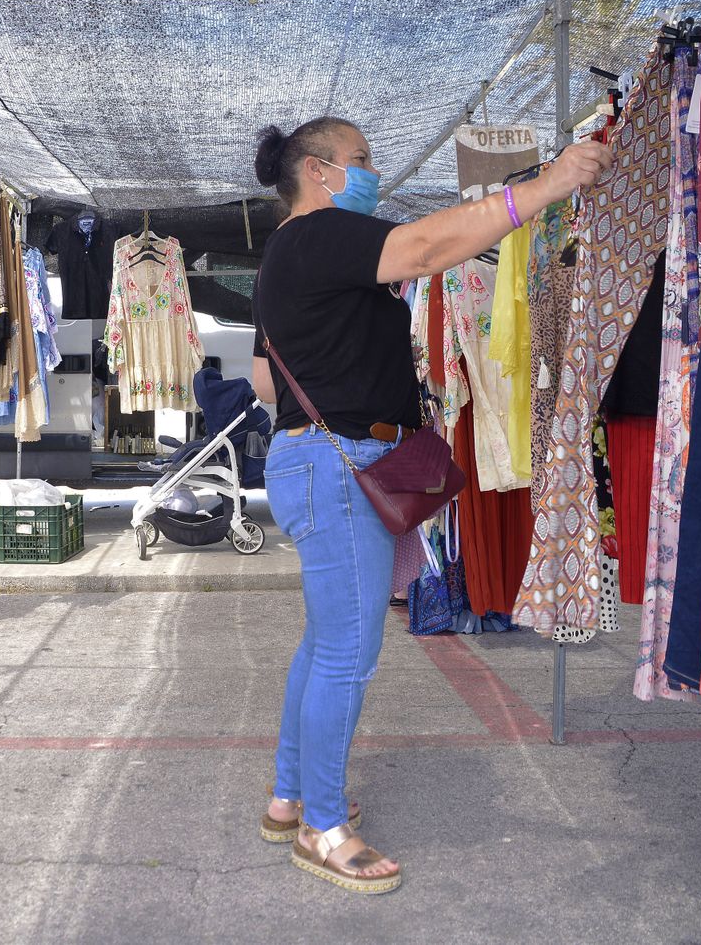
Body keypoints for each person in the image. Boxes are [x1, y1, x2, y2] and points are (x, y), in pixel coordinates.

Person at [250, 116, 611, 893]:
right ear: (318, 172)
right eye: (362, 160)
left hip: (319, 461)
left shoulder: (290, 254)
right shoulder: (319, 237)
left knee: (325, 644)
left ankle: (291, 798)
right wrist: (544, 188)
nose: (372, 172)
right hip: (336, 465)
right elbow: (420, 248)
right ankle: (321, 827)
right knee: (348, 653)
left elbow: (262, 379)